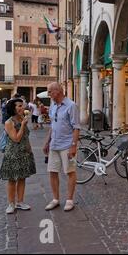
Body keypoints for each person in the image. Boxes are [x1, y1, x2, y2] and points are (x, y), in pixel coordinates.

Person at [43, 83, 80, 212]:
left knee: (70, 172)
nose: (48, 94)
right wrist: (47, 142)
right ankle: (55, 199)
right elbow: (53, 125)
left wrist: (73, 146)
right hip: (54, 144)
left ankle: (69, 200)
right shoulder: (53, 106)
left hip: (67, 144)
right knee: (52, 171)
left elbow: (76, 128)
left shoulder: (71, 106)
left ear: (57, 91)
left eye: (49, 92)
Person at [0, 98, 36, 214]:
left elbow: (26, 136)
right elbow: (16, 138)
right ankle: (11, 203)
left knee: (22, 178)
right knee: (12, 180)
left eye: (22, 106)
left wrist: (30, 149)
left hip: (24, 153)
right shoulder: (9, 122)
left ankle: (20, 201)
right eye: (19, 106)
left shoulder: (22, 119)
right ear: (13, 108)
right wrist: (23, 125)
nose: (22, 108)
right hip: (13, 154)